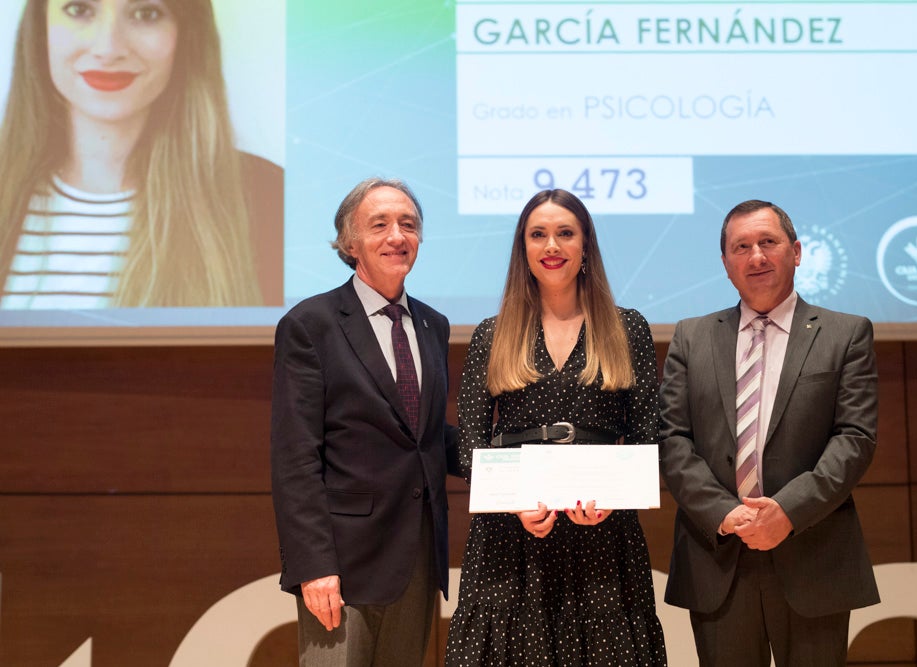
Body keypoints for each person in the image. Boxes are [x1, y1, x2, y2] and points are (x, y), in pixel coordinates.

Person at [445, 189, 667, 666]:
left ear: (585, 246)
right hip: (511, 536)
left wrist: (613, 499)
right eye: (538, 234)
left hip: (604, 538)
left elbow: (650, 435)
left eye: (565, 233)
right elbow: (469, 445)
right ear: (522, 248)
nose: (552, 246)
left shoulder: (629, 329)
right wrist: (515, 504)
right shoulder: (492, 332)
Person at [658, 199, 880, 667]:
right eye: (741, 247)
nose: (755, 256)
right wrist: (726, 513)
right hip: (718, 557)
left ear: (796, 252)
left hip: (812, 553)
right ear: (725, 264)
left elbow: (855, 438)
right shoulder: (691, 337)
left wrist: (787, 511)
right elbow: (672, 440)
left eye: (768, 243)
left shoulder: (846, 334)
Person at [270, 178, 456, 666]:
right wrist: (314, 567)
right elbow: (296, 457)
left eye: (409, 224)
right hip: (342, 566)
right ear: (350, 244)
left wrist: (520, 461)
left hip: (417, 556)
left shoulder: (434, 325)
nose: (398, 235)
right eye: (380, 225)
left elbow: (429, 437)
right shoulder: (312, 325)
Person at [0, 0, 282, 309]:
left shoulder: (270, 196)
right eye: (79, 9)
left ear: (187, 36)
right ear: (39, 30)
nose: (108, 48)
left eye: (146, 14)